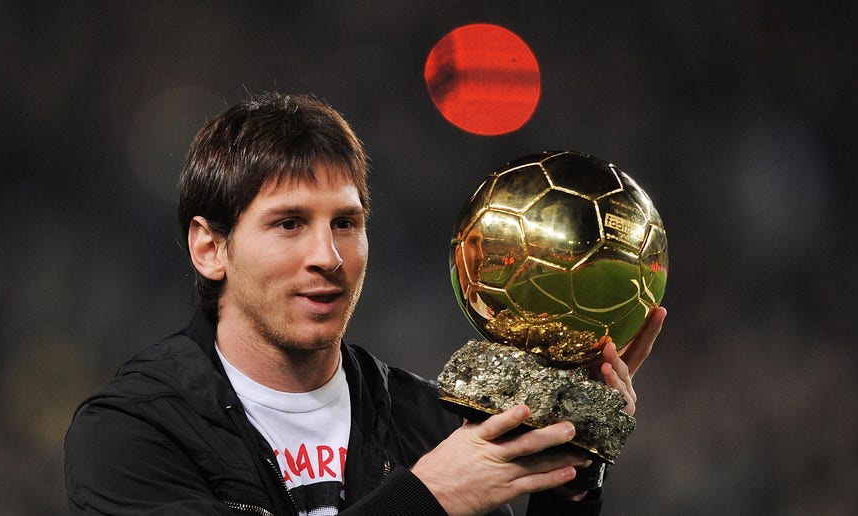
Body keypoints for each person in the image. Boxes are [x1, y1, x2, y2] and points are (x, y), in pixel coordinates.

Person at [64, 92, 667, 515]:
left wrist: (574, 465)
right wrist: (424, 500)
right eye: (290, 224)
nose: (328, 255)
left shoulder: (433, 422)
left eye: (346, 223)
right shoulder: (131, 432)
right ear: (210, 247)